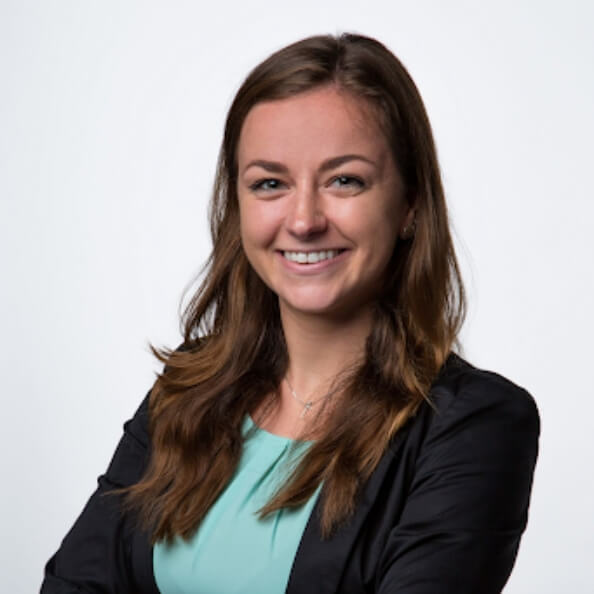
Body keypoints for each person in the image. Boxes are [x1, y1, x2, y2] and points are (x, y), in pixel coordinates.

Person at [41, 33, 539, 593]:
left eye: (344, 180)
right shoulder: (187, 391)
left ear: (410, 204)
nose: (303, 220)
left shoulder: (474, 426)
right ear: (238, 205)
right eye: (270, 183)